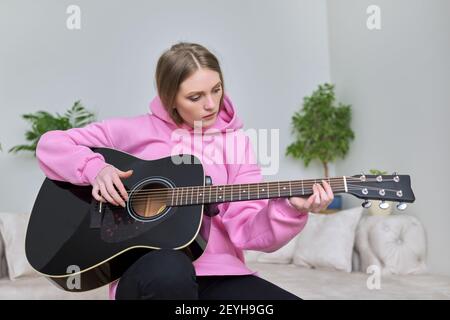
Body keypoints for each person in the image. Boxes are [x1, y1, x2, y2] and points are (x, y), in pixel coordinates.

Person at [36, 42, 334, 300]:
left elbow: (247, 231)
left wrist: (290, 209)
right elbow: (51, 143)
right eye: (195, 97)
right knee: (171, 270)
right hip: (148, 272)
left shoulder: (236, 144)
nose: (211, 104)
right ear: (170, 99)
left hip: (218, 274)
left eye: (216, 90)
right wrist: (95, 169)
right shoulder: (133, 131)